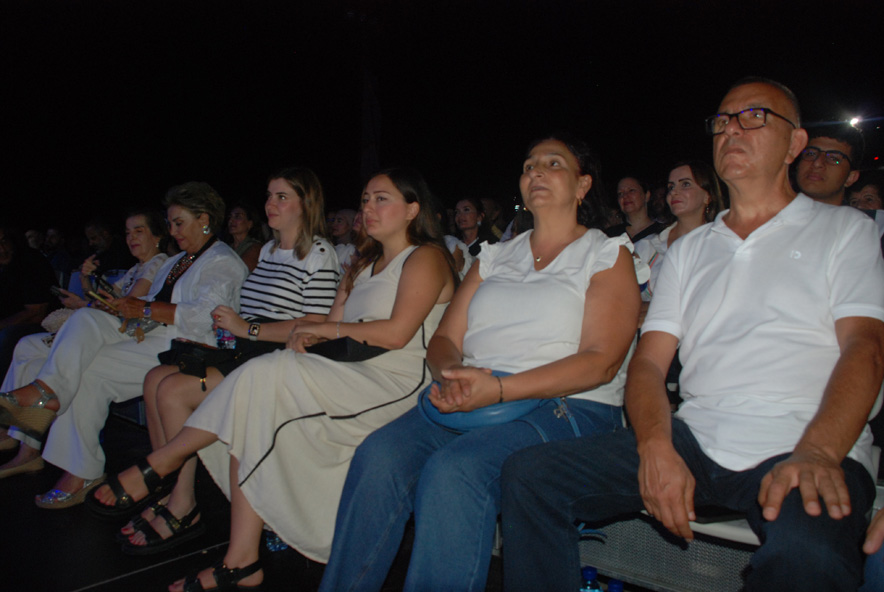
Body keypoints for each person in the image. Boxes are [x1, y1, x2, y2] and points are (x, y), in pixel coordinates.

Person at [499, 78, 884, 591]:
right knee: (529, 476)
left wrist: (818, 451)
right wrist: (656, 445)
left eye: (754, 117)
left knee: (807, 554)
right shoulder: (688, 249)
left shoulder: (846, 231)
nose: (732, 130)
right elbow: (648, 363)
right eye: (722, 121)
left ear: (795, 143)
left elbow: (865, 348)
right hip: (697, 437)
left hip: (806, 437)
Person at [93, 167, 458, 590]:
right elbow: (330, 323)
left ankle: (166, 460)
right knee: (256, 400)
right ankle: (242, 561)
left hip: (395, 381)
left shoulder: (425, 257)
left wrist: (322, 330)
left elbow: (396, 333)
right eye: (365, 199)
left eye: (382, 199)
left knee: (265, 372)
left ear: (412, 209)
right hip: (350, 369)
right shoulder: (360, 263)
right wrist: (306, 334)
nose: (368, 208)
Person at [319, 135, 640, 592]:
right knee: (379, 456)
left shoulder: (605, 253)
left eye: (553, 164)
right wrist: (452, 376)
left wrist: (501, 390)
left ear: (582, 185)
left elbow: (600, 362)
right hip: (476, 392)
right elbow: (445, 338)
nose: (536, 172)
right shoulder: (495, 256)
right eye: (529, 166)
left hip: (567, 402)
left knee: (455, 472)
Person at [97, 167, 340, 554]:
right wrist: (232, 326)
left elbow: (317, 326)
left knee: (173, 390)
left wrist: (247, 328)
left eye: (282, 196)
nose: (270, 203)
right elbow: (248, 313)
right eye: (269, 195)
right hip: (246, 348)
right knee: (155, 378)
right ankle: (171, 489)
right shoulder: (268, 251)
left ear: (306, 204)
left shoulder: (320, 254)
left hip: (284, 357)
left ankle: (181, 500)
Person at [0, 182, 249, 507]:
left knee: (89, 359)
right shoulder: (179, 261)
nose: (173, 231)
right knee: (85, 331)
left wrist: (143, 309)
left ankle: (59, 424)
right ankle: (55, 412)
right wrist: (126, 308)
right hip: (152, 335)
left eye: (179, 223)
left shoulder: (223, 261)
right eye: (171, 223)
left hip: (188, 346)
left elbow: (205, 316)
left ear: (204, 219)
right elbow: (151, 304)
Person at [0, 210, 169, 474]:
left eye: (139, 231)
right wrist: (86, 280)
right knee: (27, 346)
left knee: (82, 323)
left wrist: (84, 305)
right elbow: (103, 299)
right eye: (127, 233)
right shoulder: (135, 269)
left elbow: (123, 306)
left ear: (157, 236)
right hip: (105, 326)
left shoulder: (159, 263)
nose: (131, 238)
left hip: (129, 333)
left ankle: (45, 401)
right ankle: (21, 438)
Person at [644, 161, 724, 299]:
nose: (674, 192)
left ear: (708, 196)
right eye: (671, 187)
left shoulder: (722, 244)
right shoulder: (647, 246)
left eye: (685, 184)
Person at [0, 227, 58, 378]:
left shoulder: (29, 262)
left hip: (43, 325)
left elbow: (36, 312)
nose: (2, 249)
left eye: (4, 241)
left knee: (6, 337)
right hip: (12, 324)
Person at [794, 122, 864, 206]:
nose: (817, 163)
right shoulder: (780, 211)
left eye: (834, 158)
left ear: (850, 177)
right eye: (811, 154)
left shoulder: (856, 215)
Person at [226, 202, 263, 271]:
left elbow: (240, 271)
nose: (231, 220)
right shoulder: (227, 247)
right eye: (230, 217)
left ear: (250, 224)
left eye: (237, 217)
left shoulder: (255, 247)